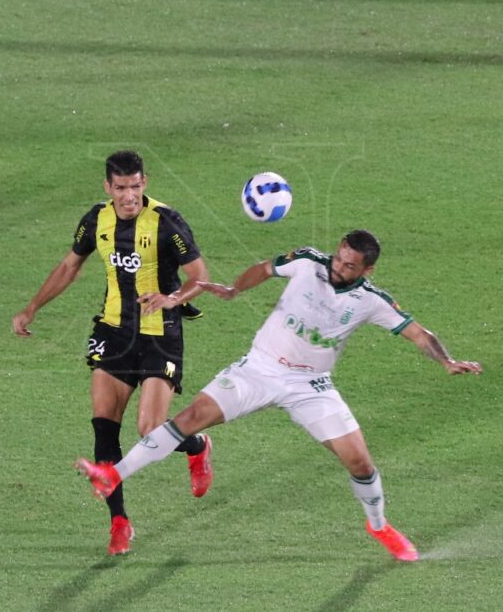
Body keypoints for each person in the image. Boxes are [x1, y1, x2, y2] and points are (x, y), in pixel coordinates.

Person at [77, 229, 482, 561]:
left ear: (367, 269)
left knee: (359, 462)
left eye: (349, 265)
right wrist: (235, 289)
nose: (339, 267)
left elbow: (418, 333)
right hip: (260, 368)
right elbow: (266, 268)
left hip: (312, 387)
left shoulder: (370, 301)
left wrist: (446, 361)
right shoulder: (308, 261)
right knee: (189, 418)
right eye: (339, 258)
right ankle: (114, 474)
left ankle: (379, 526)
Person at [13, 150, 214, 555]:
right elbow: (70, 266)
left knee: (149, 430)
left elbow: (201, 278)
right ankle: (119, 522)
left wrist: (173, 298)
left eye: (135, 186)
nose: (128, 196)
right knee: (104, 427)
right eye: (121, 188)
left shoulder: (166, 222)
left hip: (159, 333)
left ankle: (197, 447)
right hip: (113, 331)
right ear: (108, 187)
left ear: (146, 182)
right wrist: (32, 307)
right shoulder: (96, 220)